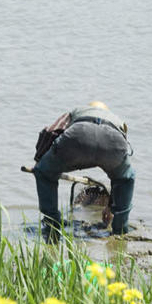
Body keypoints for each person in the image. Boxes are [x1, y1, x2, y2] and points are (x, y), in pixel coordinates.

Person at [32, 101, 135, 241]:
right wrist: (111, 205)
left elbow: (51, 131)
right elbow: (120, 172)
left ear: (89, 107)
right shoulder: (118, 120)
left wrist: (40, 163)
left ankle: (52, 226)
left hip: (78, 138)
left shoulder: (77, 111)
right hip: (113, 143)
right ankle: (120, 230)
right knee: (125, 180)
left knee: (45, 173)